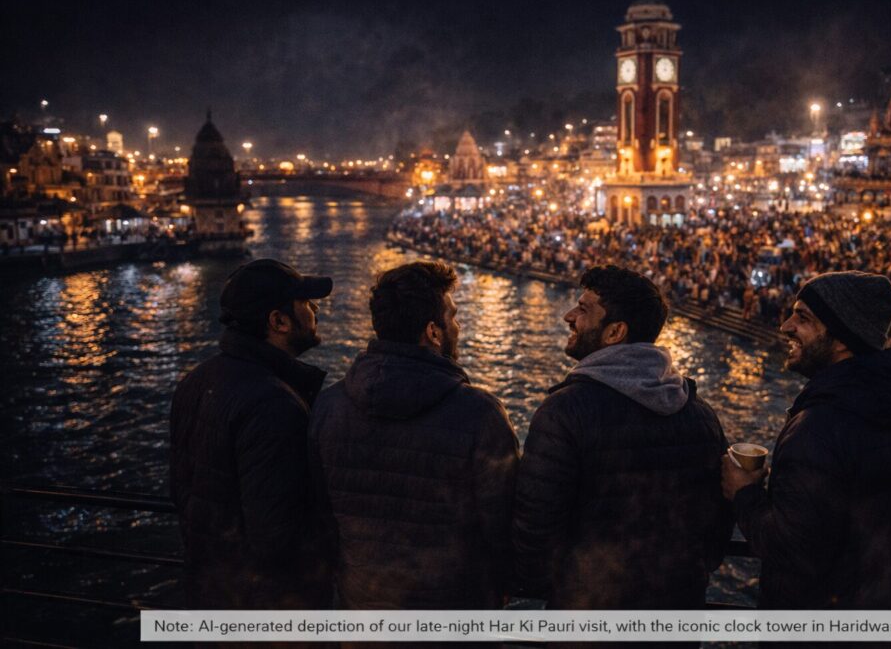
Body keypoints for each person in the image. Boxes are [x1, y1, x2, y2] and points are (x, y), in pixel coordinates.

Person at [722, 270, 891, 609]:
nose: (786, 326)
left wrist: (744, 493)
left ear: (843, 336)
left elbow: (791, 551)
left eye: (803, 317)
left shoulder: (818, 430)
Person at [514, 264, 732, 610]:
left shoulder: (565, 411)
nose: (569, 316)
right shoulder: (701, 414)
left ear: (615, 332)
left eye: (583, 309)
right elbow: (717, 523)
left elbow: (537, 523)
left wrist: (546, 589)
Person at [308, 260, 519, 609]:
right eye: (453, 317)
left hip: (362, 605)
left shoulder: (328, 406)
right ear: (433, 332)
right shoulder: (481, 415)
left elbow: (320, 516)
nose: (458, 326)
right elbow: (501, 526)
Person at [169, 258, 333, 609]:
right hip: (263, 606)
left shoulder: (195, 381)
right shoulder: (274, 404)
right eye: (305, 302)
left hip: (208, 587)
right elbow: (277, 536)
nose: (315, 309)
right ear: (279, 321)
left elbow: (181, 489)